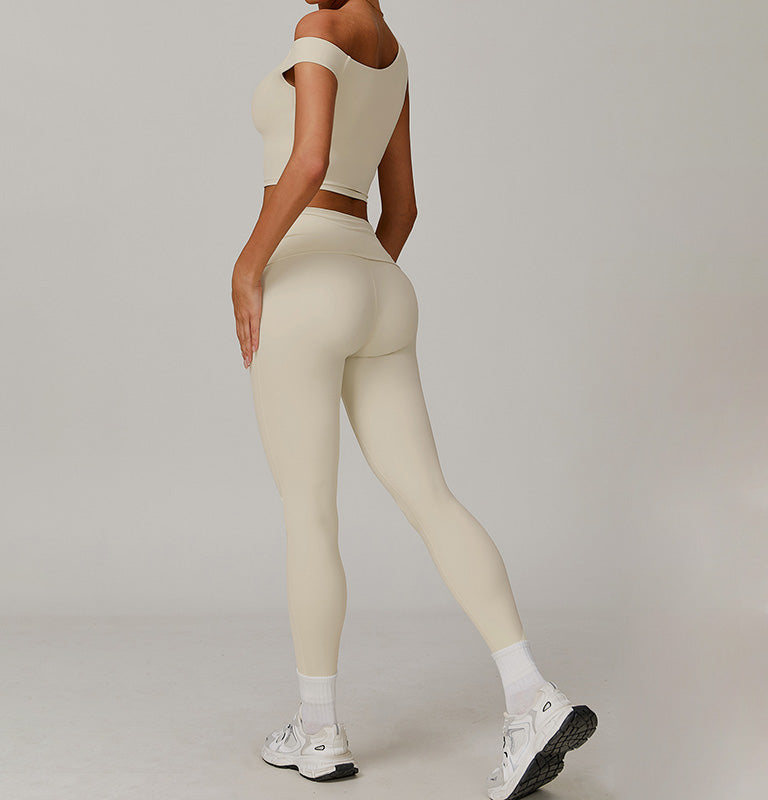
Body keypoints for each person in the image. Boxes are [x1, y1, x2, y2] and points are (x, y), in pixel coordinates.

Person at [230, 1, 597, 797]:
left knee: (309, 512)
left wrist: (249, 267)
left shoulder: (318, 32)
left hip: (305, 274)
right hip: (380, 280)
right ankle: (530, 694)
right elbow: (404, 206)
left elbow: (308, 160)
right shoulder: (393, 54)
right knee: (432, 496)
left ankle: (319, 731)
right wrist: (364, 282)